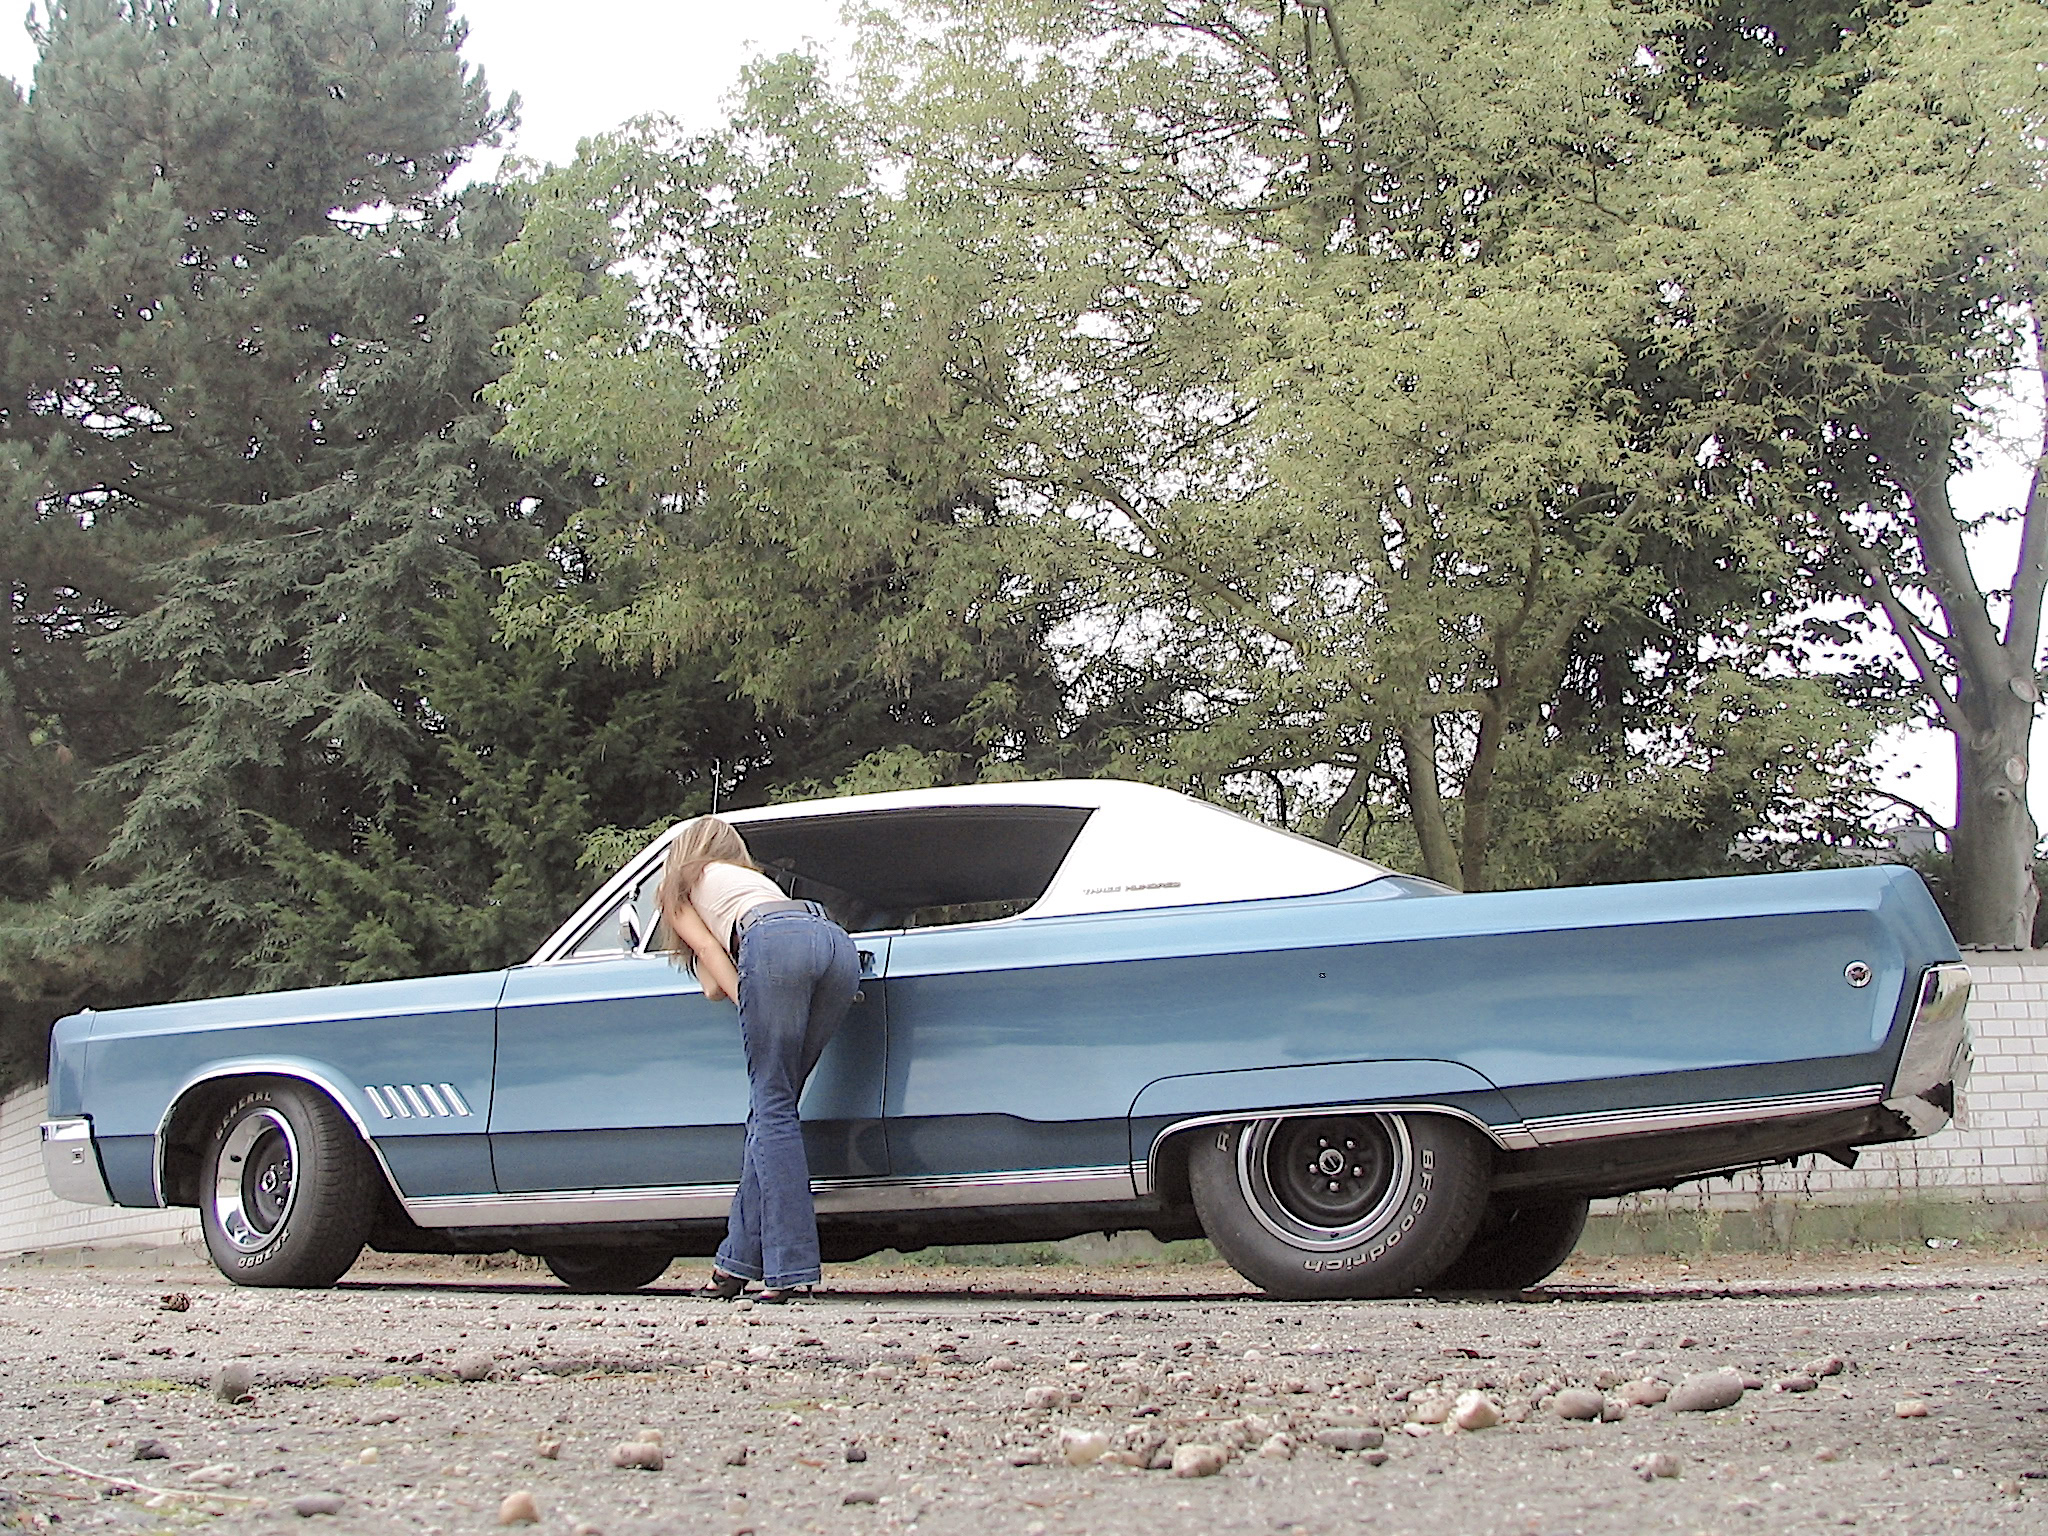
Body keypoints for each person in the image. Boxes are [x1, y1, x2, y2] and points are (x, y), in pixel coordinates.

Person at [656, 815, 859, 1302]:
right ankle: (732, 1266)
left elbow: (712, 957)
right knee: (774, 1110)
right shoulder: (748, 881)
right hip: (834, 943)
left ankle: (791, 1269)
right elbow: (712, 980)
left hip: (775, 945)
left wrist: (750, 1001)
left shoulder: (679, 882)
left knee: (772, 1107)